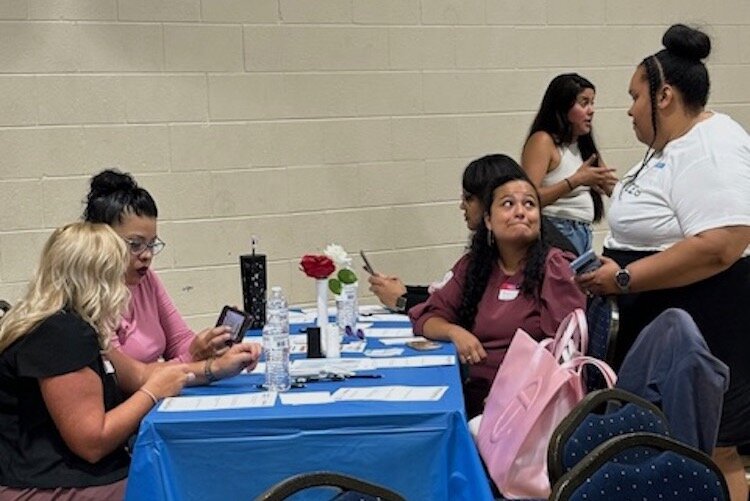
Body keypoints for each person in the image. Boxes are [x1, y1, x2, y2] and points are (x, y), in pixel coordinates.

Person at [576, 24, 750, 500]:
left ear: (665, 96)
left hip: (708, 323)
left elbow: (723, 243)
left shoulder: (711, 142)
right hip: (656, 321)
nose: (629, 109)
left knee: (714, 452)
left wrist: (625, 277)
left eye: (635, 96)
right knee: (662, 448)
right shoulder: (667, 149)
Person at [0, 222, 261, 498]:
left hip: (64, 473)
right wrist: (152, 394)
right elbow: (92, 442)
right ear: (98, 280)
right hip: (44, 484)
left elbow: (140, 375)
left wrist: (214, 369)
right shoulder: (61, 334)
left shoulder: (73, 324)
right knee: (188, 484)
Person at [409, 160, 586, 418]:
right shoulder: (475, 267)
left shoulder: (555, 268)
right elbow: (425, 317)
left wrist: (510, 396)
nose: (520, 212)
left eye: (529, 204)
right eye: (508, 204)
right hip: (472, 394)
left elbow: (562, 355)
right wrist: (454, 332)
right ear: (488, 221)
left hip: (528, 406)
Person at [369, 155, 579, 313]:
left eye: (468, 199)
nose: (462, 206)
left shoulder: (554, 260)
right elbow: (455, 295)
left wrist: (403, 300)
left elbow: (483, 314)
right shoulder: (491, 249)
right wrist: (405, 291)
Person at [83, 169, 231, 363]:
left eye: (152, 244)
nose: (147, 255)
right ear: (103, 240)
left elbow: (179, 341)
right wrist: (198, 362)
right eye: (135, 244)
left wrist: (211, 345)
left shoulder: (147, 280)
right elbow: (126, 380)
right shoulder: (91, 296)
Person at [521, 73, 618, 254]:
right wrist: (576, 180)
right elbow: (528, 199)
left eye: (592, 103)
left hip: (583, 231)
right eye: (584, 103)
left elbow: (613, 188)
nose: (591, 110)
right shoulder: (543, 141)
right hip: (556, 229)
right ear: (563, 107)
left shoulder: (585, 147)